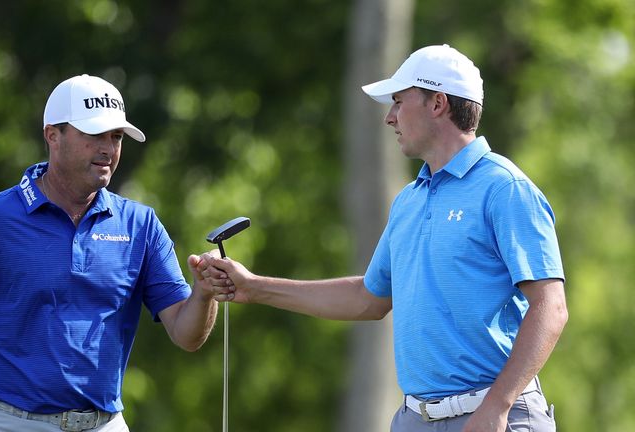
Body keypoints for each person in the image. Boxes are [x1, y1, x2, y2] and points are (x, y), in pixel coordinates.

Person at [204, 45, 568, 432]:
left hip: (498, 416)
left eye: (398, 102)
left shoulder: (504, 188)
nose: (389, 117)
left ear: (438, 103)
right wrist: (254, 288)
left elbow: (551, 307)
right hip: (415, 418)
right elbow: (369, 298)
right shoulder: (408, 201)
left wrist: (497, 406)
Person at [0, 74, 225, 432]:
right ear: (52, 136)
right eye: (95, 135)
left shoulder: (141, 224)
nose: (108, 148)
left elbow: (186, 334)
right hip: (11, 424)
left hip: (106, 425)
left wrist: (204, 293)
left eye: (116, 137)